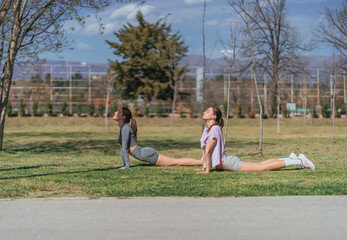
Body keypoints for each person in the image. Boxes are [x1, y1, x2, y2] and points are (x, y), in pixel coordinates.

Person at [195, 107, 315, 174]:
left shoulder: (214, 129)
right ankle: (291, 159)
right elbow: (205, 149)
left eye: (208, 111)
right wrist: (204, 167)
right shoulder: (208, 129)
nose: (204, 112)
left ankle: (299, 161)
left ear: (214, 117)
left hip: (228, 163)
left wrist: (206, 170)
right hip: (225, 162)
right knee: (262, 164)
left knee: (263, 168)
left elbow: (208, 151)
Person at [113, 107, 202, 169]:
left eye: (118, 112)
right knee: (175, 161)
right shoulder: (123, 128)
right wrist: (123, 164)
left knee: (175, 162)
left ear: (123, 117)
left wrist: (127, 165)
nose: (116, 112)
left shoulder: (125, 128)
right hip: (144, 153)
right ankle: (203, 161)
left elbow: (124, 148)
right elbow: (122, 148)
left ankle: (203, 162)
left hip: (145, 154)